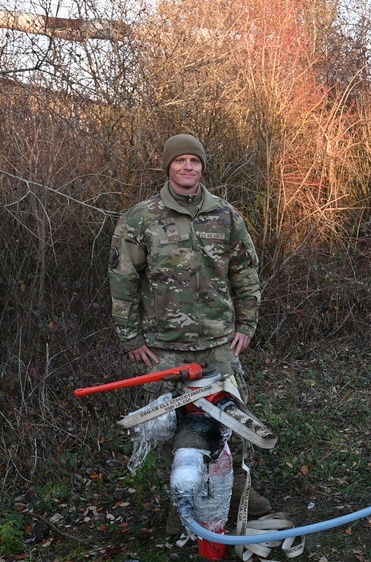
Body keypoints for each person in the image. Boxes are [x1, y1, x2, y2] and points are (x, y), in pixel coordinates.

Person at [108, 133, 271, 536]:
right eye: (180, 161)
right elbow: (123, 280)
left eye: (194, 161)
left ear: (202, 167)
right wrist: (131, 338)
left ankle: (236, 489)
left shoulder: (225, 215)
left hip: (218, 343)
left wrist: (246, 325)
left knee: (234, 421)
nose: (187, 167)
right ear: (168, 166)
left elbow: (246, 274)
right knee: (168, 429)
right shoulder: (141, 218)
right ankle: (180, 503)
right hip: (164, 348)